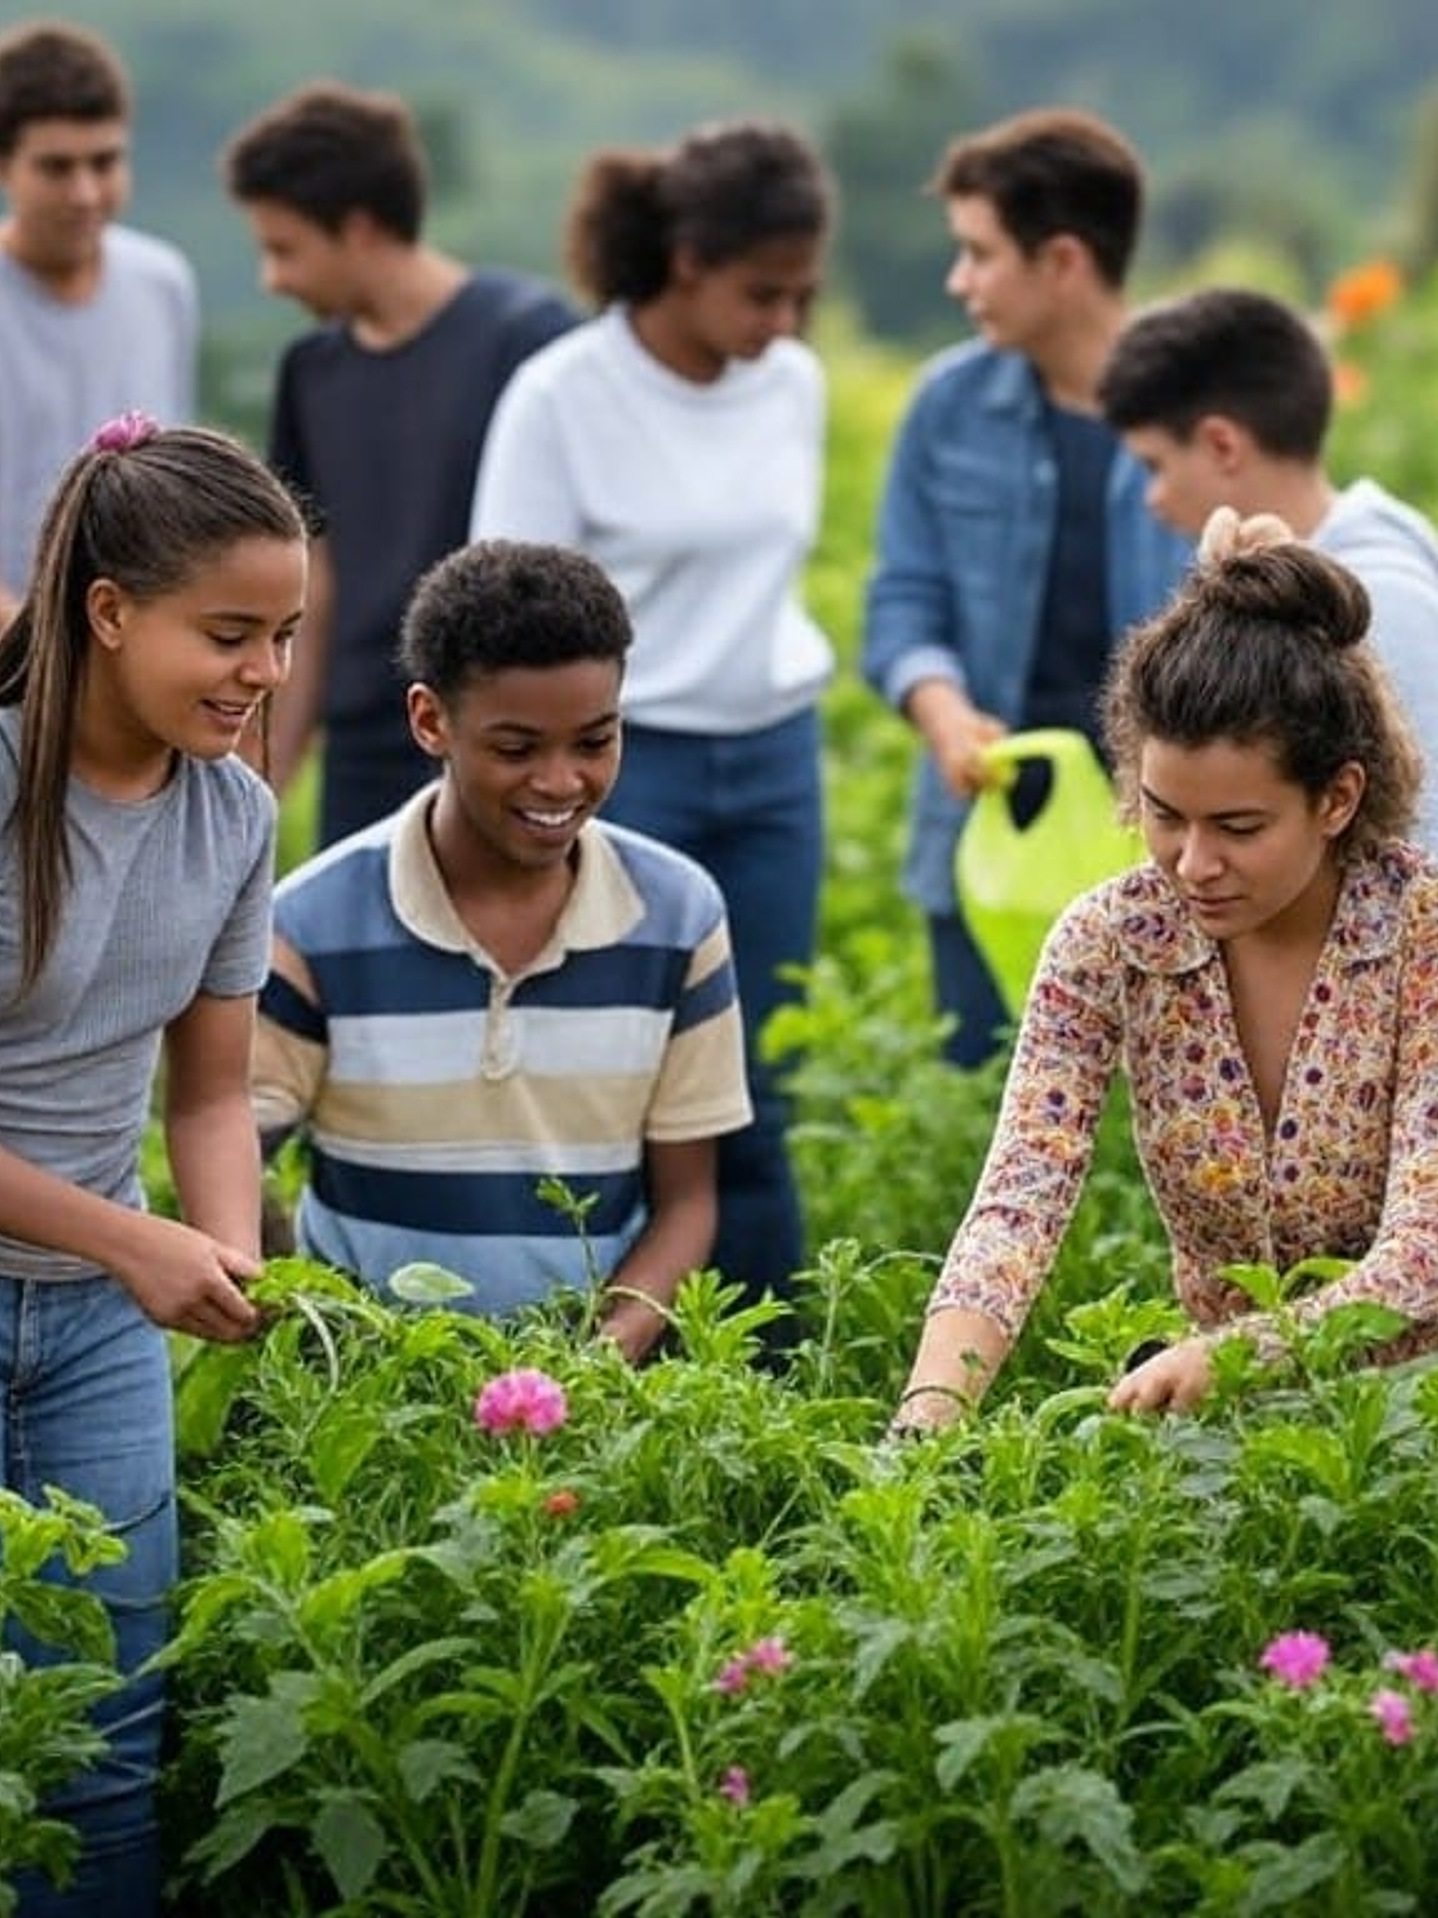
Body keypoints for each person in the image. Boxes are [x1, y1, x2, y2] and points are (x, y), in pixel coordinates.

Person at [893, 510, 1438, 1435]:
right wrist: (927, 1419)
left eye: (1238, 829)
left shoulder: (1421, 933)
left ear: (1337, 798)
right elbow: (1021, 1197)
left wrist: (1234, 1352)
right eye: (1163, 815)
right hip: (1221, 1427)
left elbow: (1424, 1251)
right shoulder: (1112, 941)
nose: (1191, 865)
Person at [0, 417, 305, 1915]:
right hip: (91, 1262)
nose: (263, 674)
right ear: (110, 612)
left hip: (94, 1329)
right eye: (229, 634)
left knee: (109, 1733)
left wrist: (222, 1245)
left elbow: (209, 1085)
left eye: (287, 637)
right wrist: (134, 1241)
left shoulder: (233, 812)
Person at [470, 117, 834, 1317]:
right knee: (608, 1077)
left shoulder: (791, 384)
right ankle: (583, 1349)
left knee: (750, 1079)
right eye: (760, 292)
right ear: (686, 258)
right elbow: (502, 607)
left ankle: (770, 1376)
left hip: (774, 756)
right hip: (631, 762)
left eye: (801, 295)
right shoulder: (565, 395)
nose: (783, 322)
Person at [250, 538, 752, 1365]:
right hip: (371, 1394)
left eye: (594, 742)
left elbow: (687, 1201)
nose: (559, 783)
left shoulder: (678, 916)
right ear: (429, 721)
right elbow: (233, 1154)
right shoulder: (310, 924)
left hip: (590, 1396)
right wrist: (320, 1334)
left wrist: (590, 1368)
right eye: (516, 750)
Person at [861, 107, 1191, 1070]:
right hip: (991, 846)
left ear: (1062, 262)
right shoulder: (948, 408)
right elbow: (902, 600)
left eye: (979, 253)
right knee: (986, 1116)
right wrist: (942, 710)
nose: (959, 280)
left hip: (1171, 853)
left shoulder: (1201, 412)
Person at [222, 80, 577, 845]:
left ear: (357, 228)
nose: (273, 279)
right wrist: (261, 785)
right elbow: (315, 583)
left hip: (492, 743)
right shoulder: (311, 370)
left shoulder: (527, 340)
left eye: (284, 248)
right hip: (362, 753)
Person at [1098, 284, 1438, 852]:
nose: (1151, 498)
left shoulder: (1378, 600)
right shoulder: (1358, 545)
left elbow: (1423, 836)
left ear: (1222, 445)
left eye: (1155, 465)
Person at [0, 21, 198, 624]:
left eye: (104, 162)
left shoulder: (163, 284)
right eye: (56, 168)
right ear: (7, 167)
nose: (85, 193)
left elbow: (174, 485)